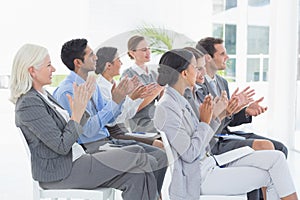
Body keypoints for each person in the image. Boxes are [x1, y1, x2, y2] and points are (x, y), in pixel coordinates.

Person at [10, 43, 159, 200]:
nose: (53, 69)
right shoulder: (29, 103)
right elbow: (61, 146)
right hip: (61, 172)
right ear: (32, 71)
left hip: (77, 159)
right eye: (48, 65)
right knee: (137, 152)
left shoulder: (44, 95)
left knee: (138, 176)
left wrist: (82, 109)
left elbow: (75, 127)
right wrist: (77, 113)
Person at [153, 48, 298, 200]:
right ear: (184, 73)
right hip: (197, 176)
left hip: (209, 162)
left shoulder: (180, 98)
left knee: (277, 158)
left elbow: (203, 138)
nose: (198, 71)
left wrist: (218, 115)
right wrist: (205, 121)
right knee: (271, 175)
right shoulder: (167, 107)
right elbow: (190, 154)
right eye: (195, 67)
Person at [52, 38, 167, 197]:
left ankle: (154, 196)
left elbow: (111, 120)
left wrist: (120, 99)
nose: (96, 58)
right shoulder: (68, 91)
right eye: (91, 54)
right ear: (78, 62)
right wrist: (115, 101)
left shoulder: (92, 85)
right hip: (91, 147)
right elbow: (88, 131)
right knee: (149, 161)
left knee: (160, 156)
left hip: (106, 141)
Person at [196, 37, 288, 158]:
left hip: (226, 135)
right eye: (222, 54)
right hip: (212, 141)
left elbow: (228, 120)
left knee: (281, 148)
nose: (227, 57)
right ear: (208, 58)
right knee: (267, 148)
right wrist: (227, 111)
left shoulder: (222, 82)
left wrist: (245, 111)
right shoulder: (197, 86)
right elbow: (203, 121)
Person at [95, 46, 164, 148]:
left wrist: (137, 97)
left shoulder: (113, 84)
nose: (121, 63)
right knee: (159, 145)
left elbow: (127, 114)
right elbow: (112, 120)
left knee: (162, 143)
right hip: (113, 134)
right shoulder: (101, 88)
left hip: (122, 130)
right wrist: (132, 98)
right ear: (109, 65)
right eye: (118, 60)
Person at [121, 35, 164, 133]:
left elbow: (161, 101)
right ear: (132, 53)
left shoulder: (154, 74)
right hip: (140, 124)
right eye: (144, 50)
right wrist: (159, 88)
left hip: (155, 119)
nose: (148, 52)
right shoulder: (128, 75)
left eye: (149, 49)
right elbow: (133, 107)